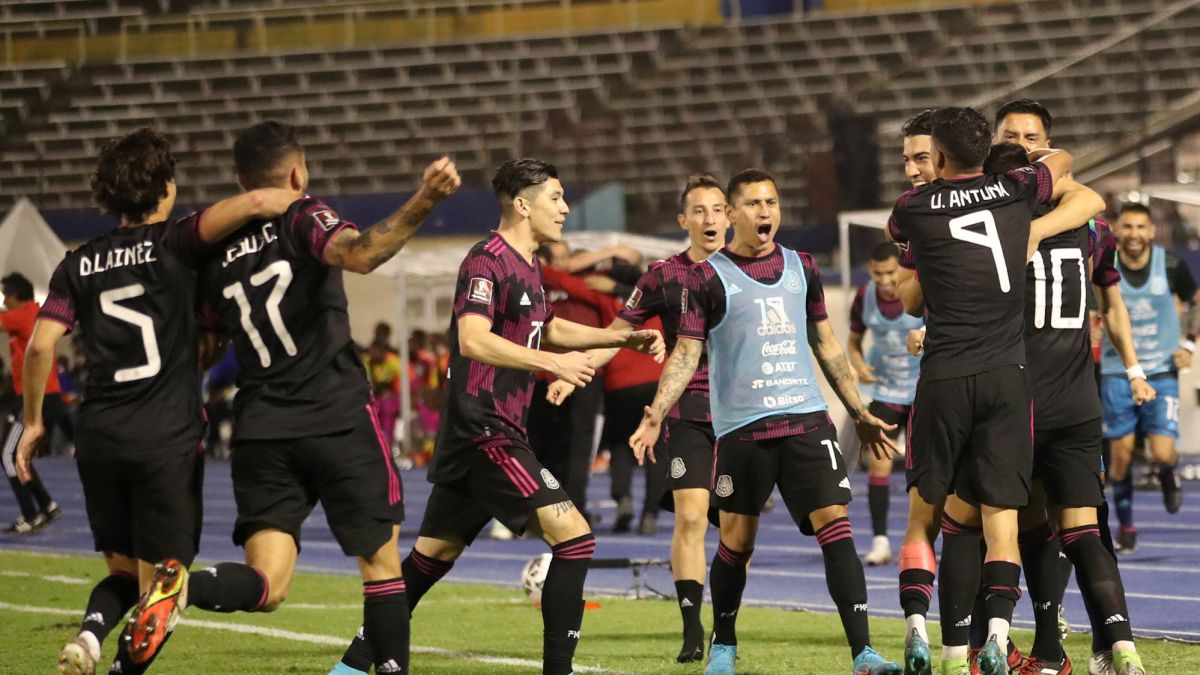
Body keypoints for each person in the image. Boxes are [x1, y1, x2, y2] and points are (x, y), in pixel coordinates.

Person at [123, 120, 460, 675]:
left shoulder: (214, 252)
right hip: (335, 416)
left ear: (240, 179)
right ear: (297, 172)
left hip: (260, 431)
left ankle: (187, 584)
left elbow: (202, 345)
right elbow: (359, 254)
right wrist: (425, 198)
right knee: (380, 567)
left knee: (268, 583)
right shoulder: (303, 215)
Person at [331, 159, 664, 675]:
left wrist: (619, 337)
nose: (565, 207)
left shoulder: (529, 266)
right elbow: (473, 339)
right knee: (575, 539)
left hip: (488, 432)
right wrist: (551, 364)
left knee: (429, 561)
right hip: (485, 429)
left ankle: (353, 664)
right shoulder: (486, 259)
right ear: (523, 204)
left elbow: (547, 328)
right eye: (555, 197)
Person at [13, 127, 301, 675]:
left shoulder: (76, 264)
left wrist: (31, 422)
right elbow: (257, 201)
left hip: (99, 436)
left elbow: (41, 347)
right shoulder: (179, 240)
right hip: (166, 435)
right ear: (165, 186)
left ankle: (90, 639)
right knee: (163, 586)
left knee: (123, 573)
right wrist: (297, 199)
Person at [630, 169, 902, 675]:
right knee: (737, 541)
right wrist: (657, 412)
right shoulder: (707, 278)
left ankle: (863, 652)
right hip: (743, 430)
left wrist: (858, 411)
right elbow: (687, 354)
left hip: (805, 420)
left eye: (772, 202)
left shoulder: (803, 266)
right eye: (753, 203)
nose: (765, 212)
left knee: (837, 528)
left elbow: (825, 342)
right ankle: (724, 645)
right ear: (732, 214)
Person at [887, 106, 1105, 675]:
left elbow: (910, 291)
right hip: (1008, 378)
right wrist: (1031, 163)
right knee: (1001, 520)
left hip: (944, 376)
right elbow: (1065, 169)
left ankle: (922, 628)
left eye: (919, 156)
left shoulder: (910, 209)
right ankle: (1001, 635)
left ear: (936, 156)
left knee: (929, 519)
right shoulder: (1014, 191)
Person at [990, 102, 1152, 675]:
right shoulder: (1090, 224)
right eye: (1013, 135)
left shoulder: (993, 218)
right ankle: (1121, 645)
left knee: (1027, 526)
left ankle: (1043, 647)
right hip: (1075, 396)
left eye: (1033, 137)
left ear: (1048, 147)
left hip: (1017, 396)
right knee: (1083, 527)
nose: (1024, 144)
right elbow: (1086, 195)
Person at [549, 174, 731, 663]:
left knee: (736, 531)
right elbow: (614, 332)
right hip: (688, 407)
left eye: (717, 210)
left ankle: (727, 630)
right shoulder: (662, 276)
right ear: (683, 220)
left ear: (729, 216)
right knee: (691, 518)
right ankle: (694, 631)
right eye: (699, 210)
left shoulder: (751, 271)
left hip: (746, 414)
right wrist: (577, 370)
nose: (709, 219)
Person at [1101, 202, 1197, 552]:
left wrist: (1188, 342)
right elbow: (1093, 311)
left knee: (1163, 451)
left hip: (1160, 370)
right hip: (1117, 371)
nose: (1134, 235)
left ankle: (1168, 473)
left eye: (1141, 227)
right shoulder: (1105, 265)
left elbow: (1196, 300)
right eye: (1127, 227)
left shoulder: (1169, 264)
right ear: (1117, 230)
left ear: (1152, 231)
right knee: (1122, 457)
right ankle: (1126, 527)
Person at [847, 241, 923, 567]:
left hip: (923, 391)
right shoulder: (865, 297)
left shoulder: (920, 289)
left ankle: (924, 538)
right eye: (879, 274)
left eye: (892, 272)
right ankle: (880, 541)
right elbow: (852, 341)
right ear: (870, 272)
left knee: (927, 472)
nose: (887, 281)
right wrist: (859, 364)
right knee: (878, 462)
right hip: (888, 391)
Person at [1, 272, 64, 534]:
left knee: (9, 455)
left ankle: (31, 513)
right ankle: (46, 505)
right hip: (39, 395)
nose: (4, 301)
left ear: (17, 295)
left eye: (6, 295)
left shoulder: (24, 314)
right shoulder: (33, 313)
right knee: (20, 455)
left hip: (35, 396)